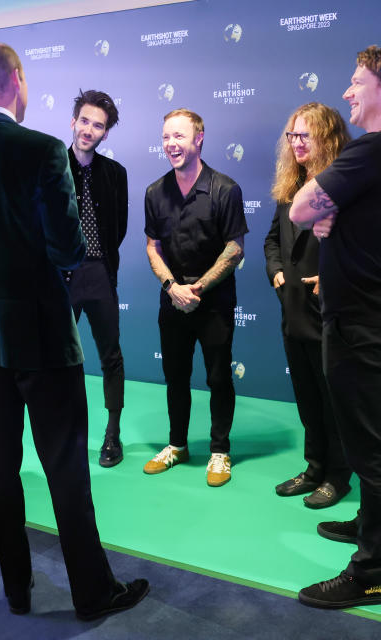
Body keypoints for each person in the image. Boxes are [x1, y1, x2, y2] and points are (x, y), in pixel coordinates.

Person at [0, 43, 148, 619]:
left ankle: (17, 591)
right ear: (17, 81)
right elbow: (69, 248)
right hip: (45, 341)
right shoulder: (44, 151)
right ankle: (92, 594)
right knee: (66, 471)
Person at [290, 46, 381, 608]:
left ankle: (371, 572)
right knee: (371, 437)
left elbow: (301, 207)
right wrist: (336, 216)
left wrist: (325, 211)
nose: (348, 93)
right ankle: (370, 525)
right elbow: (332, 217)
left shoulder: (378, 148)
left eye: (356, 81)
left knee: (374, 447)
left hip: (363, 320)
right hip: (367, 314)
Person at [143, 109, 247, 487]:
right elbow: (153, 246)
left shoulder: (225, 189)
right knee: (175, 378)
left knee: (219, 377)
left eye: (180, 136)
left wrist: (198, 289)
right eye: (167, 136)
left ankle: (220, 451)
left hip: (213, 302)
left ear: (199, 138)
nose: (172, 144)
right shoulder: (155, 192)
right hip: (172, 300)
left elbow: (234, 248)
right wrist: (173, 287)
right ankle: (177, 445)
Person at [264, 103, 352, 509]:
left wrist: (332, 277)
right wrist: (276, 269)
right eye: (292, 136)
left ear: (327, 138)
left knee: (334, 402)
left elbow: (361, 250)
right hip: (293, 314)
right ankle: (315, 468)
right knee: (307, 399)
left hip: (331, 318)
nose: (297, 143)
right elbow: (270, 241)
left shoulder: (343, 188)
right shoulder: (290, 188)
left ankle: (339, 477)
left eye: (306, 136)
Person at [64, 89, 128, 468]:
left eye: (98, 125)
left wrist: (97, 259)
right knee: (61, 358)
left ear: (106, 133)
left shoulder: (115, 173)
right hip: (63, 278)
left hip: (101, 273)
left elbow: (117, 227)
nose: (89, 130)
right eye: (85, 121)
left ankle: (112, 433)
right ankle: (67, 433)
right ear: (73, 122)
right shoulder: (51, 166)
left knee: (111, 357)